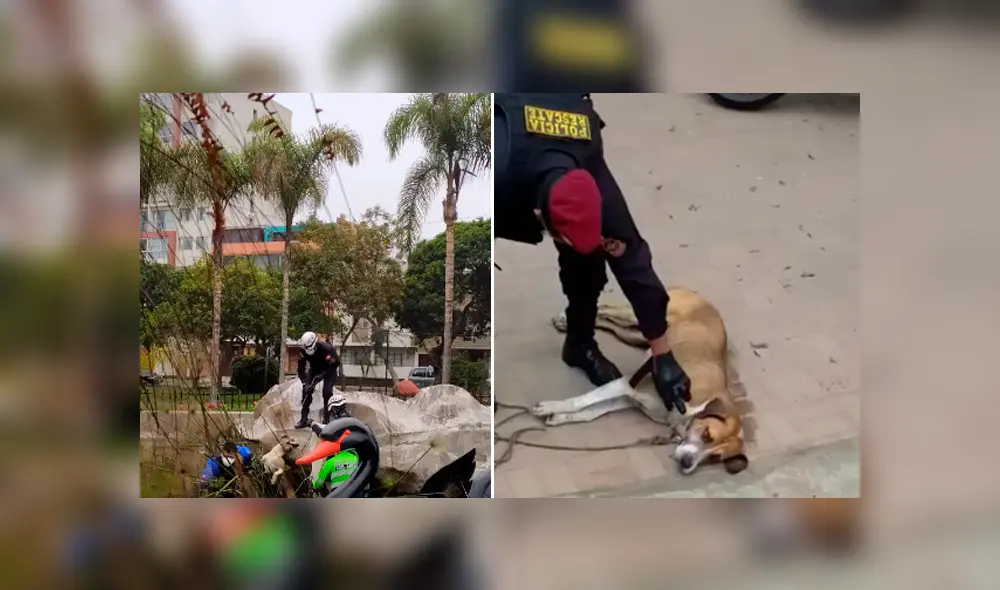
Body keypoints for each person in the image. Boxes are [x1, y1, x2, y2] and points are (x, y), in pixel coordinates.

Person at [494, 93, 692, 413]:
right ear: (539, 216)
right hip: (509, 131)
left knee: (587, 268)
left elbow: (635, 265)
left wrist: (663, 354)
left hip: (560, 116)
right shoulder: (497, 171)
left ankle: (579, 345)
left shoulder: (591, 164)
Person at [295, 331, 342, 428]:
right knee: (306, 392)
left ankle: (327, 419)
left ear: (315, 343)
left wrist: (323, 375)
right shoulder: (302, 351)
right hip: (314, 370)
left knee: (327, 392)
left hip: (329, 370)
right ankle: (303, 419)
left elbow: (336, 363)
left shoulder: (327, 349)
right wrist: (305, 384)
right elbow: (300, 369)